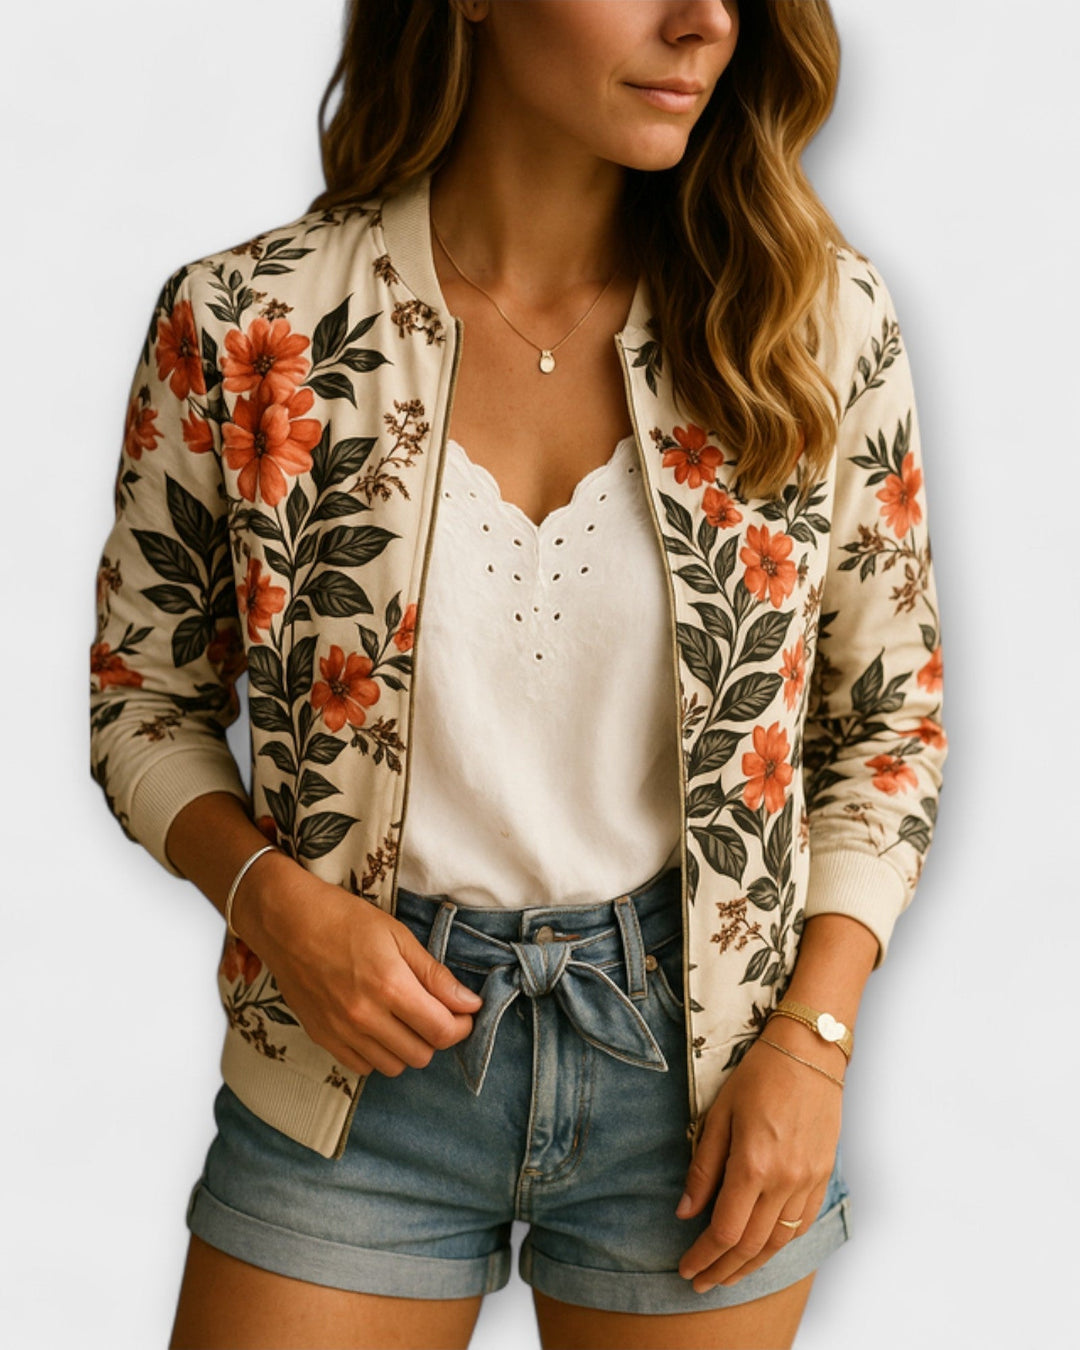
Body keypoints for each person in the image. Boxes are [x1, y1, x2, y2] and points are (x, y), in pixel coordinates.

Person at [88, 2, 948, 1346]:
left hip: (706, 1081)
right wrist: (276, 909)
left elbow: (887, 723)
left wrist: (812, 1042)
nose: (704, 21)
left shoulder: (812, 323)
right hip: (349, 1066)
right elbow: (143, 696)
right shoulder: (252, 322)